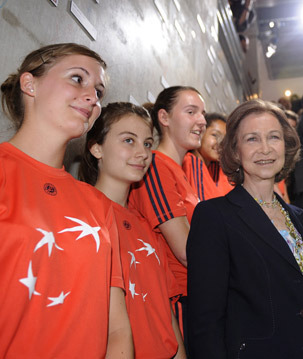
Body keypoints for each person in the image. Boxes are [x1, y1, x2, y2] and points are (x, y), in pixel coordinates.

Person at [0, 43, 132, 357]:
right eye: (77, 79)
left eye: (99, 91)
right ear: (29, 84)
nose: (92, 97)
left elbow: (117, 329)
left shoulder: (96, 203)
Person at [187, 99, 303, 359]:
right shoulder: (214, 217)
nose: (265, 148)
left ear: (286, 146)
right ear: (235, 149)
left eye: (274, 137)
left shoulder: (301, 219)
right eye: (252, 139)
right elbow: (205, 320)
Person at [80, 102, 185, 358]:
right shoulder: (82, 215)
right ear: (96, 147)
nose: (142, 153)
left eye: (148, 144)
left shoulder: (146, 227)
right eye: (129, 140)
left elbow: (165, 309)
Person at [128, 86, 206, 354]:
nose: (202, 121)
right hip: (177, 300)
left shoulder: (179, 170)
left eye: (202, 113)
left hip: (195, 296)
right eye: (191, 112)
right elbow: (185, 250)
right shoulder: (157, 166)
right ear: (164, 117)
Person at [183, 112, 229, 201]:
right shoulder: (191, 162)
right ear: (200, 133)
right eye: (215, 135)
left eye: (225, 140)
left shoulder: (216, 168)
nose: (220, 143)